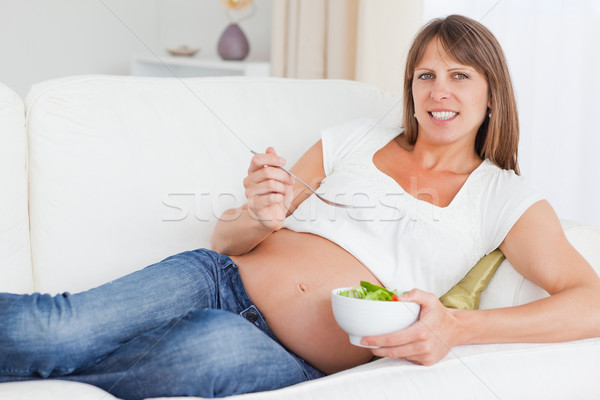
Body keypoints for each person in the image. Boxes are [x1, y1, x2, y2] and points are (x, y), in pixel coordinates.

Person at [1, 14, 599, 400]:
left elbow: (591, 303)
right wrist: (259, 214)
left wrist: (458, 327)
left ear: (492, 93)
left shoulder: (504, 196)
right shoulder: (356, 139)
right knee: (57, 329)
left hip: (293, 354)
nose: (438, 90)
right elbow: (225, 238)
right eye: (425, 75)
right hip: (217, 276)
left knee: (198, 357)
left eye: (459, 75)